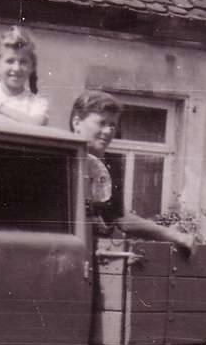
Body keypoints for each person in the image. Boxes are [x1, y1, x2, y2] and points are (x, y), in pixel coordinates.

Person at [70, 90, 196, 255]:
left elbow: (121, 218)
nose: (108, 131)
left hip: (94, 254)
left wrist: (175, 236)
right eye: (101, 123)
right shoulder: (63, 159)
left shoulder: (112, 165)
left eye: (113, 125)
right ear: (77, 122)